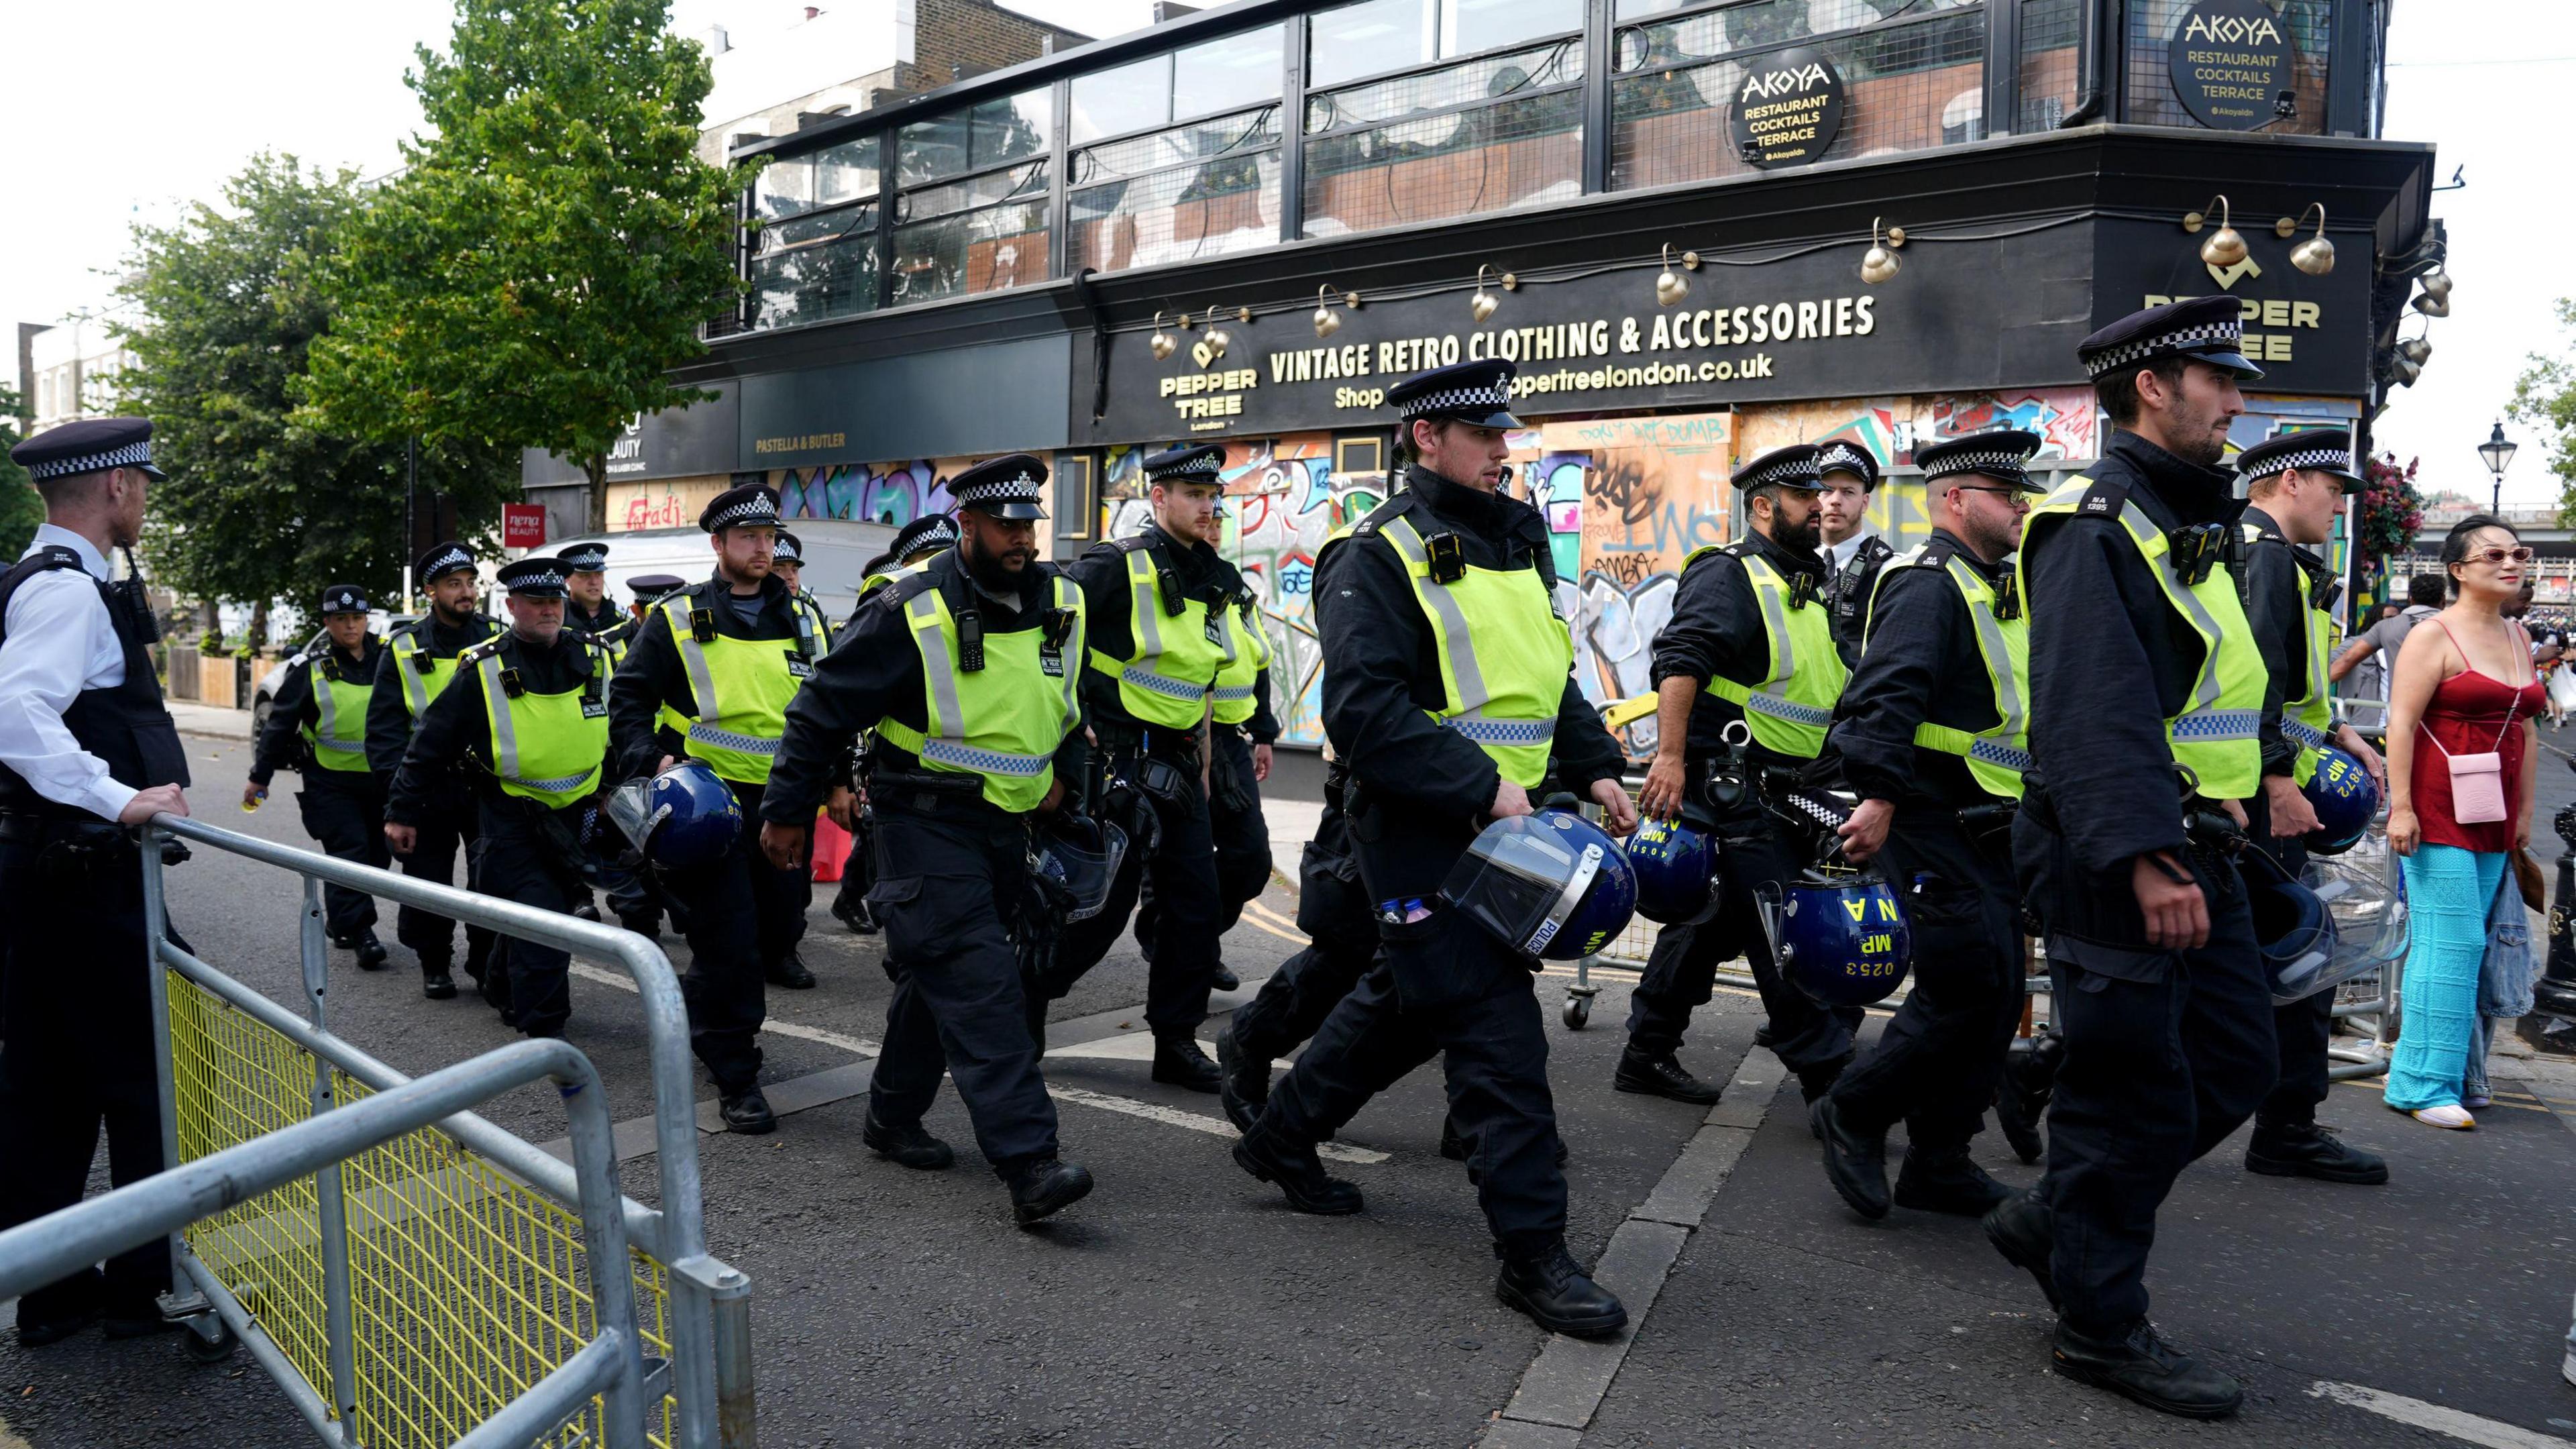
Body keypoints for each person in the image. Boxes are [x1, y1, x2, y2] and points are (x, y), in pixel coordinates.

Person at [1232, 360, 1640, 1337]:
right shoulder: (1376, 553)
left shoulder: (1518, 541)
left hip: (1509, 827)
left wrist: (1594, 767)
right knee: (1498, 1036)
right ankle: (1533, 1257)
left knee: (1413, 1007)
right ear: (1426, 438)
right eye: (1485, 435)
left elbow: (1549, 682)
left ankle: (1284, 1135)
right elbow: (1363, 711)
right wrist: (1481, 785)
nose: (1506, 449)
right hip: (1421, 833)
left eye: (1506, 434)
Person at [1984, 295, 2276, 1419]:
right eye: (2222, 380)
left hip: (2200, 844)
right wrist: (2148, 859)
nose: (2239, 401)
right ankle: (2099, 1326)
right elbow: (2089, 715)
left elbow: (2206, 692)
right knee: (2130, 1094)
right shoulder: (2095, 525)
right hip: (2123, 856)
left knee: (2237, 1061)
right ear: (2154, 385)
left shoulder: (2183, 516)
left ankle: (2058, 1214)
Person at [757, 455, 1096, 1224]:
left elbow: (1071, 706)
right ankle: (1030, 1161)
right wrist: (787, 811)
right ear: (967, 527)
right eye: (1005, 527)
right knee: (982, 986)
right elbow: (820, 709)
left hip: (1008, 827)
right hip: (921, 823)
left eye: (1028, 526)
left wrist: (1069, 787)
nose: (1021, 540)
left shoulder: (1065, 601)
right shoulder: (910, 609)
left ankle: (890, 1115)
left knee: (937, 976)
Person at [1812, 429, 2045, 1223]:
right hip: (1928, 810)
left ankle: (1941, 1160)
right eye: (2005, 494)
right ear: (1954, 500)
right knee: (1963, 985)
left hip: (1994, 817)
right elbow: (1888, 693)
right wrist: (1877, 796)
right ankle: (1854, 1110)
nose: (2021, 506)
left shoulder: (2000, 584)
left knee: (1999, 990)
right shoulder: (1926, 582)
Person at [0, 417, 195, 1345]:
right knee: (155, 1077)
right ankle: (147, 1288)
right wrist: (116, 798)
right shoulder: (69, 594)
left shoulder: (43, 580)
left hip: (49, 877)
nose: (146, 500)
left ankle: (51, 1289)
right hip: (85, 881)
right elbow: (13, 709)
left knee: (52, 1087)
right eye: (143, 485)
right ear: (116, 487)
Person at [1630, 442, 1858, 1108]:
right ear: (1763, 506)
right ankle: (1828, 1077)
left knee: (1712, 924)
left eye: (1824, 493)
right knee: (1776, 923)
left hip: (1790, 785)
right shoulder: (1730, 573)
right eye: (1803, 495)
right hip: (1732, 781)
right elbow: (1680, 664)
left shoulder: (1805, 584)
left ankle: (1646, 1051)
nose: (1821, 505)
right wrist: (1669, 759)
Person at [1034, 443, 1246, 1091]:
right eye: (1192, 495)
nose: (1206, 506)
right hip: (1115, 757)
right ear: (1158, 499)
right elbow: (1049, 637)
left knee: (1193, 908)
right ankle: (1025, 1001)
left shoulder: (1214, 574)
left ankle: (1175, 1041)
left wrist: (1206, 763)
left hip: (1178, 761)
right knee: (1098, 908)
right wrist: (1076, 726)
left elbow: (1203, 680)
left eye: (1212, 495)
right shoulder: (1114, 566)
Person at [609, 483, 818, 1133]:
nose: (764, 548)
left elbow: (825, 706)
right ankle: (736, 1074)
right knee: (727, 946)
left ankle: (718, 1032)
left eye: (769, 537)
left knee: (778, 930)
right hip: (710, 806)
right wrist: (655, 762)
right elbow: (630, 700)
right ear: (719, 545)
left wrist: (836, 781)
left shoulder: (804, 617)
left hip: (783, 803)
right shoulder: (675, 618)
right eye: (749, 538)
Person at [2232, 429, 2390, 1183]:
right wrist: (2277, 782)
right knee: (2297, 954)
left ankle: (2054, 1071)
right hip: (2258, 799)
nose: (2339, 506)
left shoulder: (2282, 561)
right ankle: (2287, 1128)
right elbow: (2251, 681)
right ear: (2290, 481)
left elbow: (2290, 686)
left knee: (2265, 958)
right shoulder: (2262, 556)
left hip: (2260, 789)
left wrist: (2341, 733)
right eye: (2333, 489)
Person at [385, 557, 613, 1040]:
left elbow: (621, 725)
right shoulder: (484, 668)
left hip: (579, 814)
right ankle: (546, 1034)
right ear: (511, 606)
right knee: (544, 921)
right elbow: (431, 742)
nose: (548, 612)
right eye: (535, 604)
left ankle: (502, 978)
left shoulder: (598, 656)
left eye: (554, 602)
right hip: (513, 816)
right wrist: (402, 811)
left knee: (544, 916)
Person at [2381, 515, 2546, 1130]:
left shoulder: (2519, 636)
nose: (2512, 563)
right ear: (2457, 570)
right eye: (2494, 554)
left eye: (2519, 552)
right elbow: (2399, 723)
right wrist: (2401, 806)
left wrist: (2525, 810)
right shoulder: (2433, 635)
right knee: (2454, 943)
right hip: (2436, 808)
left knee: (2465, 943)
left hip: (2495, 813)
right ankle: (2424, 1084)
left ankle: (2445, 1075)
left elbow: (2526, 728)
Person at [1132, 449, 1280, 996]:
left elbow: (1255, 659)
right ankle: (1187, 946)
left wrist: (1264, 732)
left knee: (1249, 859)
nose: (1209, 518)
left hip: (1229, 737)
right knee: (1173, 866)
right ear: (1161, 501)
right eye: (1197, 502)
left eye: (1215, 507)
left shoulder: (1228, 582)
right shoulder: (1137, 568)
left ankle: (1186, 938)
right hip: (1167, 735)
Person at [367, 542, 501, 1002]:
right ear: (431, 591)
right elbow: (384, 734)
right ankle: (435, 963)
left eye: (470, 584)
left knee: (491, 878)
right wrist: (397, 803)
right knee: (429, 880)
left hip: (487, 782)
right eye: (454, 585)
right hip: (428, 787)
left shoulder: (498, 638)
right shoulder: (403, 649)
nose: (466, 593)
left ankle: (486, 963)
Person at [830, 513, 963, 937]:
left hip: (947, 769)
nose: (943, 561)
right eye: (931, 555)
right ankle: (859, 901)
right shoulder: (890, 606)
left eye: (947, 551)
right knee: (878, 842)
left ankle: (859, 900)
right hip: (886, 755)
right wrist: (843, 774)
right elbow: (841, 699)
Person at [246, 584, 391, 967]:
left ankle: (342, 918)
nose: (350, 627)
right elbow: (279, 725)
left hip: (382, 779)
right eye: (341, 619)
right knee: (350, 853)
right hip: (331, 781)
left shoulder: (390, 661)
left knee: (378, 858)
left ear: (366, 619)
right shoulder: (311, 669)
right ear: (327, 623)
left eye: (357, 618)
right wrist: (260, 777)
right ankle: (361, 931)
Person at [2332, 575, 2443, 739]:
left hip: (2403, 720)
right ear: (2444, 599)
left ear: (2410, 599)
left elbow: (2346, 662)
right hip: (2447, 719)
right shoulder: (2460, 626)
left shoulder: (2388, 626)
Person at [1815, 438, 1892, 669]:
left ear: (1865, 502)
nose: (1836, 501)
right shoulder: (1789, 563)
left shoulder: (1888, 570)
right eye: (1826, 490)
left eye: (1848, 492)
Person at [559, 543, 641, 662]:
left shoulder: (625, 617)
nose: (594, 582)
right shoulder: (558, 619)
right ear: (568, 579)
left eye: (599, 574)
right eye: (585, 575)